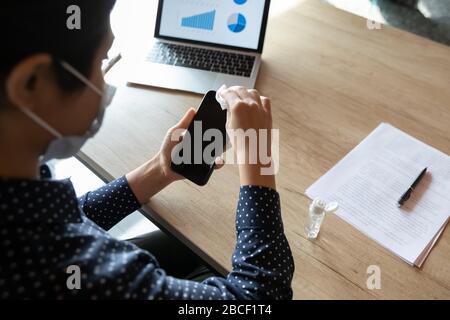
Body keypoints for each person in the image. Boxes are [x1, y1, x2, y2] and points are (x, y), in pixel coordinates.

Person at [0, 0, 294, 299]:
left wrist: (159, 170)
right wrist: (257, 158)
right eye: (102, 62)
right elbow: (258, 297)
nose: (105, 84)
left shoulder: (20, 200)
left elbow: (69, 215)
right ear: (31, 83)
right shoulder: (68, 269)